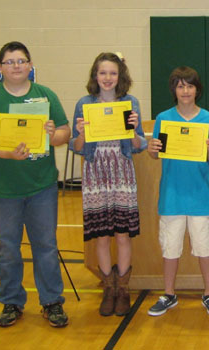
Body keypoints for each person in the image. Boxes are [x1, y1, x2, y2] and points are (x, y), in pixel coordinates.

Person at [0, 41, 71, 328]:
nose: (16, 66)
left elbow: (64, 133)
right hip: (3, 188)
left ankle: (52, 302)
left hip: (41, 186)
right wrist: (6, 153)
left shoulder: (45, 95)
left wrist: (53, 135)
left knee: (46, 246)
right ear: (0, 67)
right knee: (8, 248)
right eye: (10, 62)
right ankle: (12, 301)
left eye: (21, 61)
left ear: (30, 64)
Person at [70, 52, 147, 317]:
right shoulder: (84, 103)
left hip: (122, 170)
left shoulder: (130, 102)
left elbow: (139, 146)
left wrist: (135, 132)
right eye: (102, 73)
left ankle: (123, 290)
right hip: (95, 171)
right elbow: (76, 147)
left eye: (112, 73)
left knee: (123, 234)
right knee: (102, 236)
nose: (107, 78)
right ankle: (108, 289)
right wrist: (80, 134)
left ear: (120, 76)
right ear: (95, 75)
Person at [146, 66, 209, 317]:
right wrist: (152, 147)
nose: (186, 91)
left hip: (200, 194)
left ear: (197, 89)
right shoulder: (164, 118)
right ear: (174, 90)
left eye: (190, 86)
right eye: (181, 86)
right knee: (170, 248)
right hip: (172, 195)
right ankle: (169, 294)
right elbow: (155, 154)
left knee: (205, 248)